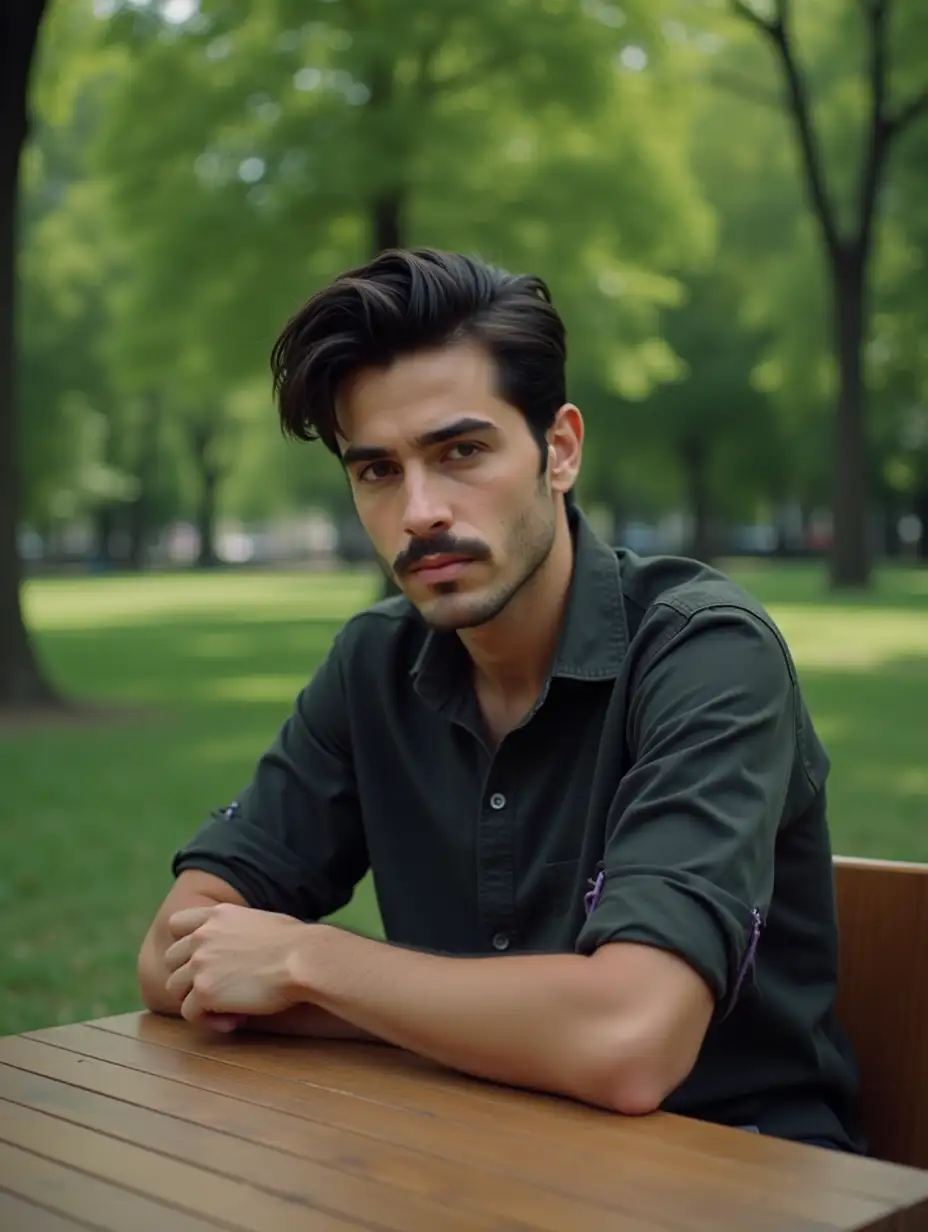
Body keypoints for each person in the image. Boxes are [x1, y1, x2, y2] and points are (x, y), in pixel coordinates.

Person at [138, 248, 862, 1152]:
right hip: (472, 1157)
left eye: (462, 451)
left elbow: (627, 1043)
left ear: (559, 449)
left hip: (735, 1168)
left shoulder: (706, 651)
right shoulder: (373, 664)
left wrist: (307, 961)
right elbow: (174, 957)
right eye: (377, 471)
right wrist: (504, 1027)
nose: (420, 511)